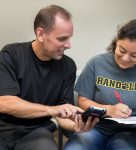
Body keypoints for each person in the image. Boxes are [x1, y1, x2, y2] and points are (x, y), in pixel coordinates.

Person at [0, 5, 98, 150]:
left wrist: (76, 125)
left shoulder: (68, 67)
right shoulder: (11, 55)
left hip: (36, 132)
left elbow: (62, 115)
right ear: (40, 34)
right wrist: (52, 110)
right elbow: (5, 103)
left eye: (69, 38)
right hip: (4, 130)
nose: (69, 45)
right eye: (62, 39)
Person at [64, 19, 136, 150]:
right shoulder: (96, 63)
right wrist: (109, 110)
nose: (125, 58)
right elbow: (83, 101)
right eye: (122, 50)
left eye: (134, 55)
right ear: (116, 42)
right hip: (95, 127)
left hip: (133, 133)